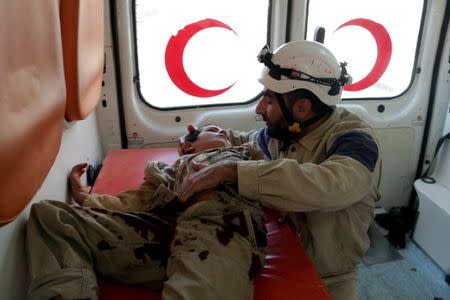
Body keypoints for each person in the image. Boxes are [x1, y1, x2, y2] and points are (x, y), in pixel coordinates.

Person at [177, 41, 381, 300]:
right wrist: (207, 136)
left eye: (269, 99)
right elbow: (250, 141)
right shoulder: (287, 130)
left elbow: (330, 185)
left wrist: (232, 171)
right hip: (285, 251)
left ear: (301, 108)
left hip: (331, 277)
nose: (259, 108)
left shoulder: (356, 140)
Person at [26, 125, 267, 300]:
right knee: (51, 216)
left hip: (221, 228)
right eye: (215, 130)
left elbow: (274, 180)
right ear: (188, 145)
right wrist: (83, 197)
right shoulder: (164, 174)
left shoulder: (242, 158)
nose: (225, 133)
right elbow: (130, 205)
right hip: (164, 236)